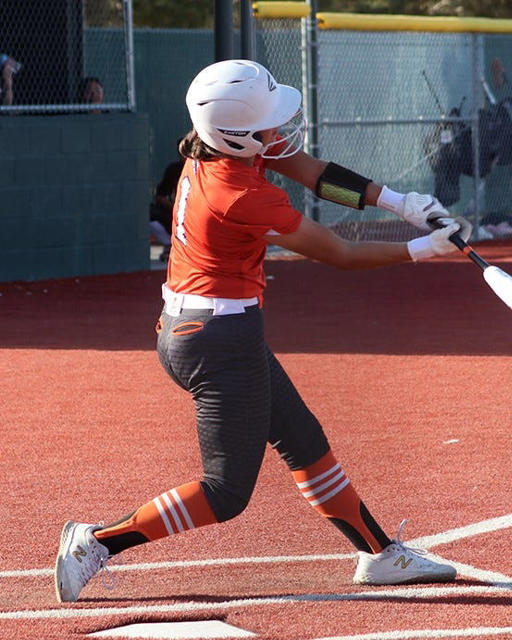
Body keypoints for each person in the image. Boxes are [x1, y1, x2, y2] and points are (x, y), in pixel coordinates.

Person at [54, 59, 468, 603]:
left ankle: (378, 553)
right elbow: (339, 252)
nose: (278, 130)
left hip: (210, 331)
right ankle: (97, 543)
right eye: (267, 124)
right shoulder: (240, 197)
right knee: (226, 491)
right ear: (237, 133)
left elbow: (310, 170)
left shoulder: (208, 146)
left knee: (304, 441)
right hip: (217, 343)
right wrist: (421, 249)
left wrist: (399, 203)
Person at [149, 147, 185, 261]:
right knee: (150, 216)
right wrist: (175, 209)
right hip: (176, 213)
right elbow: (160, 196)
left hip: (194, 216)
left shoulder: (203, 169)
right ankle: (169, 244)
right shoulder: (174, 169)